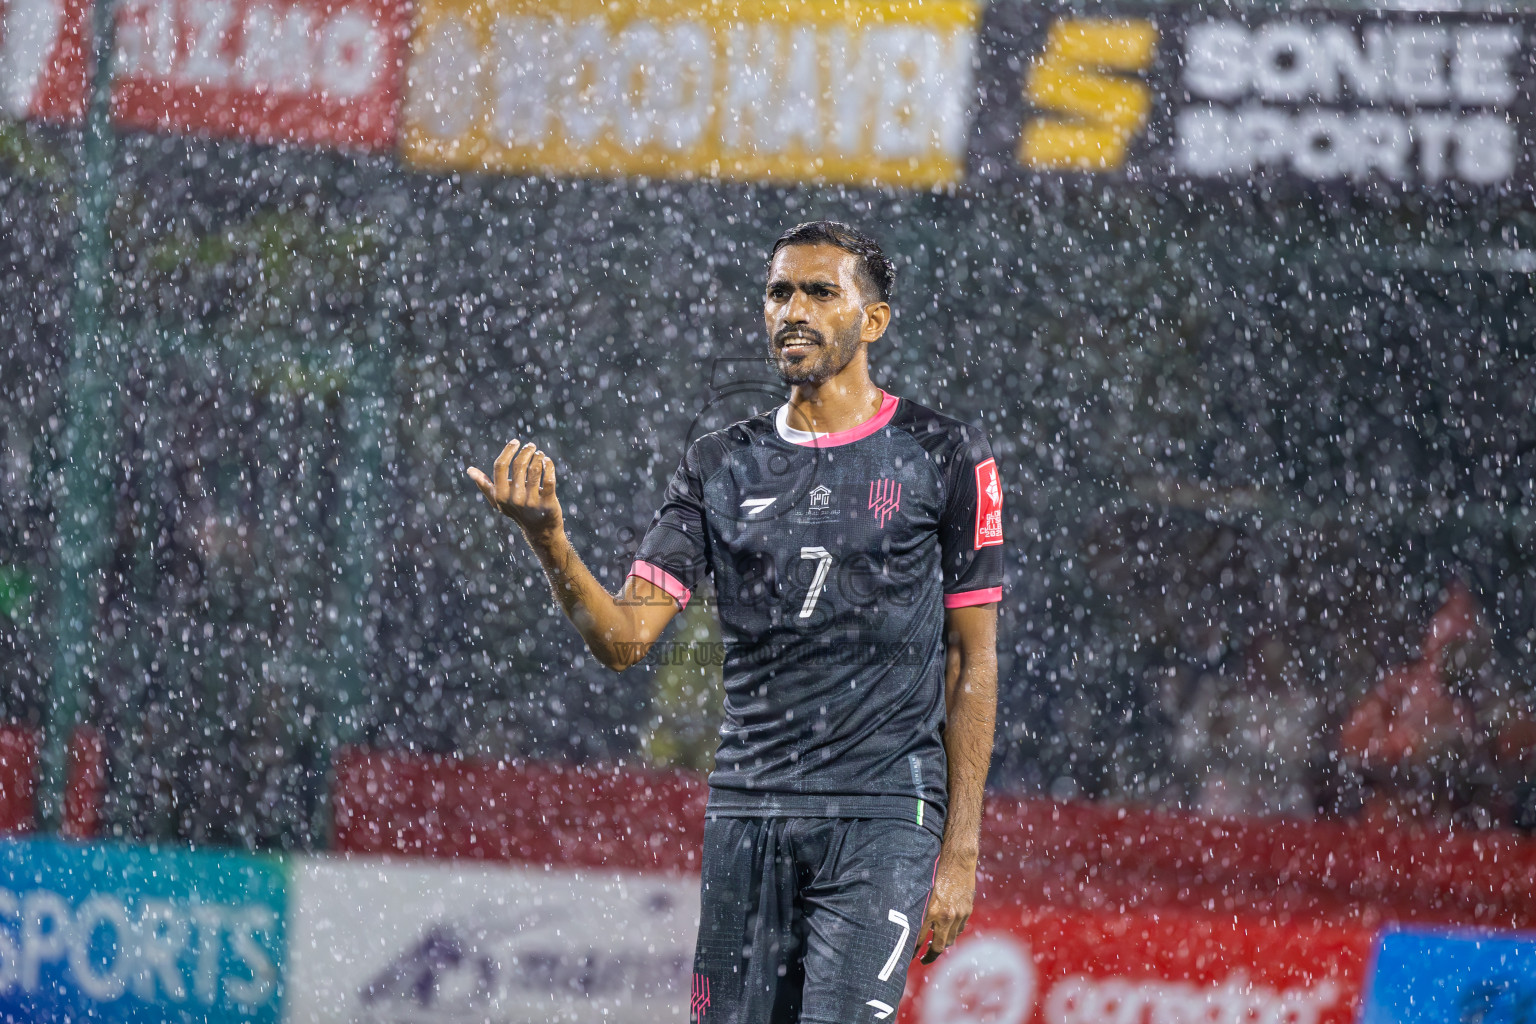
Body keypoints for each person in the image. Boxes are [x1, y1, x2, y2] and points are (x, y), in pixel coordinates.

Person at [468, 220, 1003, 1023]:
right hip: (749, 809)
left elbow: (974, 663)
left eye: (822, 292)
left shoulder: (943, 452)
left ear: (874, 320)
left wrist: (959, 852)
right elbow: (624, 638)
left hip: (883, 811)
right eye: (779, 291)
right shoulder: (720, 463)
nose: (794, 309)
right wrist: (550, 540)